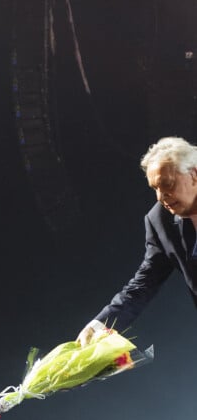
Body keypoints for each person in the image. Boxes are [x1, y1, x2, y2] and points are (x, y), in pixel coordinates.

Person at [79, 136, 197, 341]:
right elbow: (143, 284)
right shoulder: (159, 220)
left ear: (193, 175)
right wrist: (100, 325)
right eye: (155, 189)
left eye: (167, 184)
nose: (161, 197)